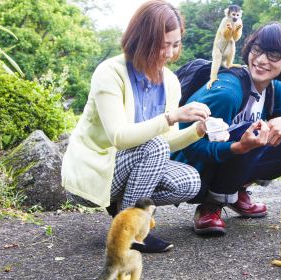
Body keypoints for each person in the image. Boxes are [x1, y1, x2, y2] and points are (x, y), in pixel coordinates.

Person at [61, 0, 210, 252]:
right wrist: (171, 116)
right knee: (153, 147)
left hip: (135, 166)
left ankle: (122, 207)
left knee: (189, 181)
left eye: (175, 45)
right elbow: (119, 137)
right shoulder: (110, 72)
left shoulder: (171, 82)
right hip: (98, 169)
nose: (170, 54)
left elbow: (168, 140)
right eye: (164, 46)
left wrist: (197, 131)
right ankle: (130, 231)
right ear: (143, 40)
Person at [173, 22, 281, 235]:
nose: (261, 60)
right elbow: (190, 147)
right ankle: (211, 204)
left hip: (226, 158)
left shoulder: (275, 89)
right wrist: (238, 147)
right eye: (257, 50)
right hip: (192, 170)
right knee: (256, 133)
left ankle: (234, 190)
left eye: (273, 55)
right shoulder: (228, 92)